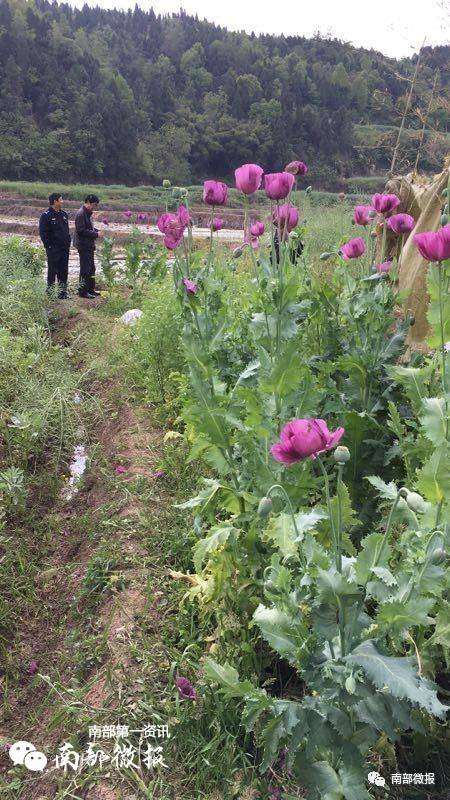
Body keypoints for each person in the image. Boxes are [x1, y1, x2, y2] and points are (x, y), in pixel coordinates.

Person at [39, 192, 71, 299]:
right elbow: (43, 233)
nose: (62, 201)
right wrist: (49, 246)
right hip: (53, 249)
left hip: (64, 249)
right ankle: (50, 294)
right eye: (61, 200)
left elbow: (66, 231)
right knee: (52, 271)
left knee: (63, 271)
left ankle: (62, 293)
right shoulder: (46, 216)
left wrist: (68, 243)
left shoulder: (64, 215)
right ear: (55, 201)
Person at [73, 194, 101, 298]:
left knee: (91, 268)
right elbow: (81, 230)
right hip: (83, 245)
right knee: (85, 269)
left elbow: (88, 228)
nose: (95, 207)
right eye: (94, 205)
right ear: (88, 202)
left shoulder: (87, 213)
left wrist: (96, 231)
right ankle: (83, 292)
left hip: (88, 245)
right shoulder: (81, 214)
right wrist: (95, 234)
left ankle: (90, 289)